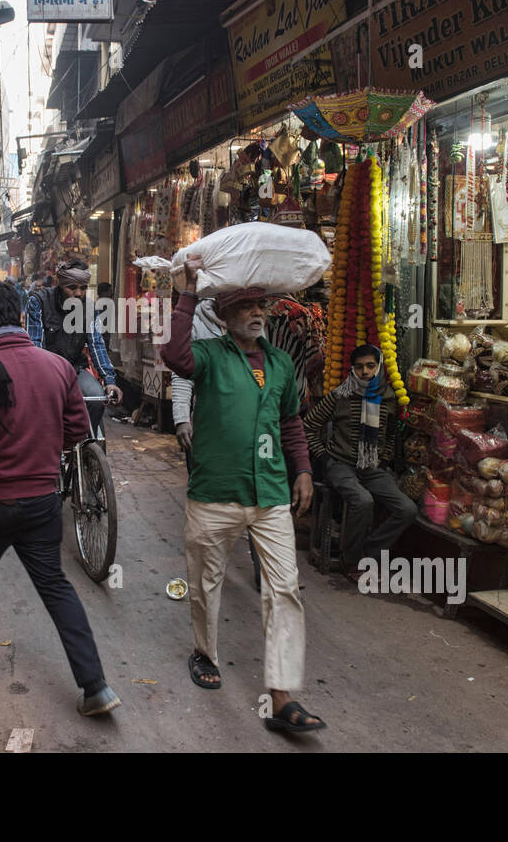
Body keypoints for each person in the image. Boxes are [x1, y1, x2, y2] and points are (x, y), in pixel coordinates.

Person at [0, 281, 121, 716]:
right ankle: (96, 687)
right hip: (40, 503)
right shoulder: (57, 367)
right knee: (56, 588)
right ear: (20, 316)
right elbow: (78, 434)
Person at [162, 254, 324, 734]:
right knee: (206, 582)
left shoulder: (277, 363)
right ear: (226, 315)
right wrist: (187, 295)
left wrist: (303, 470)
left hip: (270, 492)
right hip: (215, 491)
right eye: (246, 306)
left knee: (284, 589)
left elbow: (291, 421)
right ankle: (204, 651)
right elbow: (175, 357)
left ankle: (281, 695)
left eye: (261, 306)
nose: (257, 313)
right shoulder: (209, 355)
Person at [171, 295, 264, 593]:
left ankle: (268, 572)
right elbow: (184, 372)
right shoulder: (200, 321)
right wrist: (182, 417)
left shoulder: (256, 323)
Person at [303, 344, 414, 580]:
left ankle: (368, 550)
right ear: (353, 369)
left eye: (370, 366)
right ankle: (350, 559)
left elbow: (392, 431)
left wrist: (384, 459)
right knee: (363, 500)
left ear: (379, 367)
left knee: (407, 509)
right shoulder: (340, 395)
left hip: (372, 467)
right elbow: (309, 426)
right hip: (340, 464)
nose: (365, 372)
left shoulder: (388, 398)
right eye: (359, 367)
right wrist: (323, 457)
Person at [25, 259, 122, 431]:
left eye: (83, 288)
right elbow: (35, 345)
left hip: (75, 369)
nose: (79, 293)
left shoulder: (89, 308)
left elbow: (96, 344)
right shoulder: (38, 302)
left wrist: (109, 380)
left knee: (96, 398)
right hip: (47, 371)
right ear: (60, 284)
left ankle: (86, 447)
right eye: (72, 287)